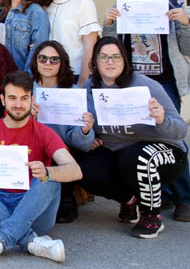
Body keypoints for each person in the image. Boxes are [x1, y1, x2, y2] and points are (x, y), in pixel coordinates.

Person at [0, 71, 81, 263]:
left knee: (50, 181)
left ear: (31, 100)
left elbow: (75, 170)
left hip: (35, 209)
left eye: (24, 98)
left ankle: (0, 240)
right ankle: (32, 242)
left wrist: (48, 171)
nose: (18, 104)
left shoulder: (44, 132)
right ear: (3, 100)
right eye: (12, 98)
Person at [102, 0, 190, 221]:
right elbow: (111, 47)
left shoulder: (171, 2)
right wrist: (108, 24)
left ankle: (185, 198)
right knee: (140, 138)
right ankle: (158, 195)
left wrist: (186, 24)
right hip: (130, 84)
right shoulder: (122, 3)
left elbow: (186, 48)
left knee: (170, 137)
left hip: (165, 82)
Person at [77, 37, 188, 238]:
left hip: (165, 150)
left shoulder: (146, 85)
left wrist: (162, 120)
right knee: (82, 165)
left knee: (135, 157)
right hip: (118, 152)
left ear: (125, 60)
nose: (109, 62)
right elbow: (80, 129)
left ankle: (152, 216)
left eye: (115, 57)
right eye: (103, 57)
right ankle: (130, 201)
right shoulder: (89, 89)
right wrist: (89, 134)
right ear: (95, 62)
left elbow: (181, 130)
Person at [29, 40, 95, 223]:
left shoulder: (73, 93)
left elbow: (81, 144)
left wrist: (84, 130)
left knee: (66, 151)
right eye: (43, 58)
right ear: (35, 61)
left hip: (63, 149)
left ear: (62, 63)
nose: (48, 63)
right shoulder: (26, 90)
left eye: (54, 60)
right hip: (32, 146)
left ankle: (66, 197)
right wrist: (29, 119)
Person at [37, 0, 100, 82]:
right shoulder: (45, 5)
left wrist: (83, 81)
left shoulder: (83, 2)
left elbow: (89, 46)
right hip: (48, 75)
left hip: (74, 74)